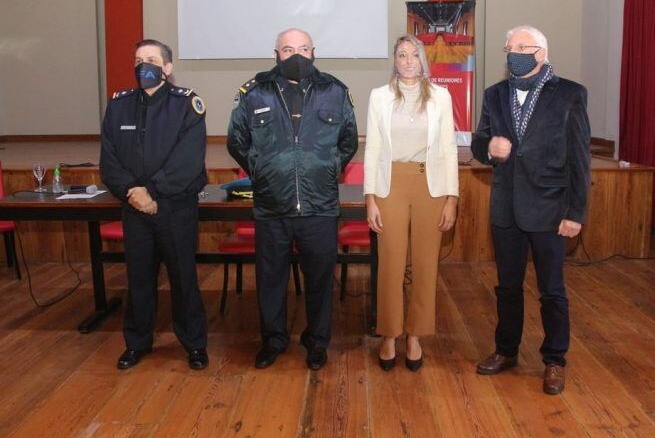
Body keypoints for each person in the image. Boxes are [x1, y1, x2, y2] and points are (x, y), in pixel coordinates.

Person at [227, 28, 358, 370]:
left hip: (319, 205)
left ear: (315, 52)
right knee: (270, 280)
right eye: (288, 49)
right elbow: (236, 139)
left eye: (303, 48)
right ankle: (273, 341)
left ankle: (317, 343)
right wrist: (262, 170)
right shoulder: (255, 92)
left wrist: (328, 168)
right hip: (272, 205)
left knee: (319, 280)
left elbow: (348, 140)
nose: (296, 55)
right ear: (276, 53)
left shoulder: (335, 90)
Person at [471, 25, 590, 394]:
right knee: (507, 287)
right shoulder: (494, 94)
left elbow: (580, 158)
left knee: (551, 290)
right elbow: (478, 142)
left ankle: (555, 360)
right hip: (506, 207)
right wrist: (491, 147)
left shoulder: (570, 93)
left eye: (521, 46)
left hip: (551, 209)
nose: (513, 52)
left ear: (541, 51)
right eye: (509, 47)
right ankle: (506, 351)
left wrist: (575, 213)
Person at [100, 39, 209, 370]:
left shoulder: (187, 105)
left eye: (151, 59)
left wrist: (152, 193)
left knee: (183, 278)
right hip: (135, 209)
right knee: (139, 279)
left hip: (175, 208)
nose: (142, 65)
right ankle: (137, 343)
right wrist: (133, 192)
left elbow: (188, 161)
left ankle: (194, 344)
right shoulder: (118, 106)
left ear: (167, 67)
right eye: (137, 59)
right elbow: (109, 160)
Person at [364, 35, 459, 372]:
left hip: (430, 186)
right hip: (390, 184)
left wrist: (452, 198)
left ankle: (416, 335)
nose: (407, 60)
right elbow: (373, 149)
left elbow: (449, 148)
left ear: (422, 60)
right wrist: (370, 198)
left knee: (424, 264)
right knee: (390, 262)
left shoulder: (441, 98)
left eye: (413, 54)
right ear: (395, 60)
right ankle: (390, 334)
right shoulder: (379, 97)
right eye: (401, 54)